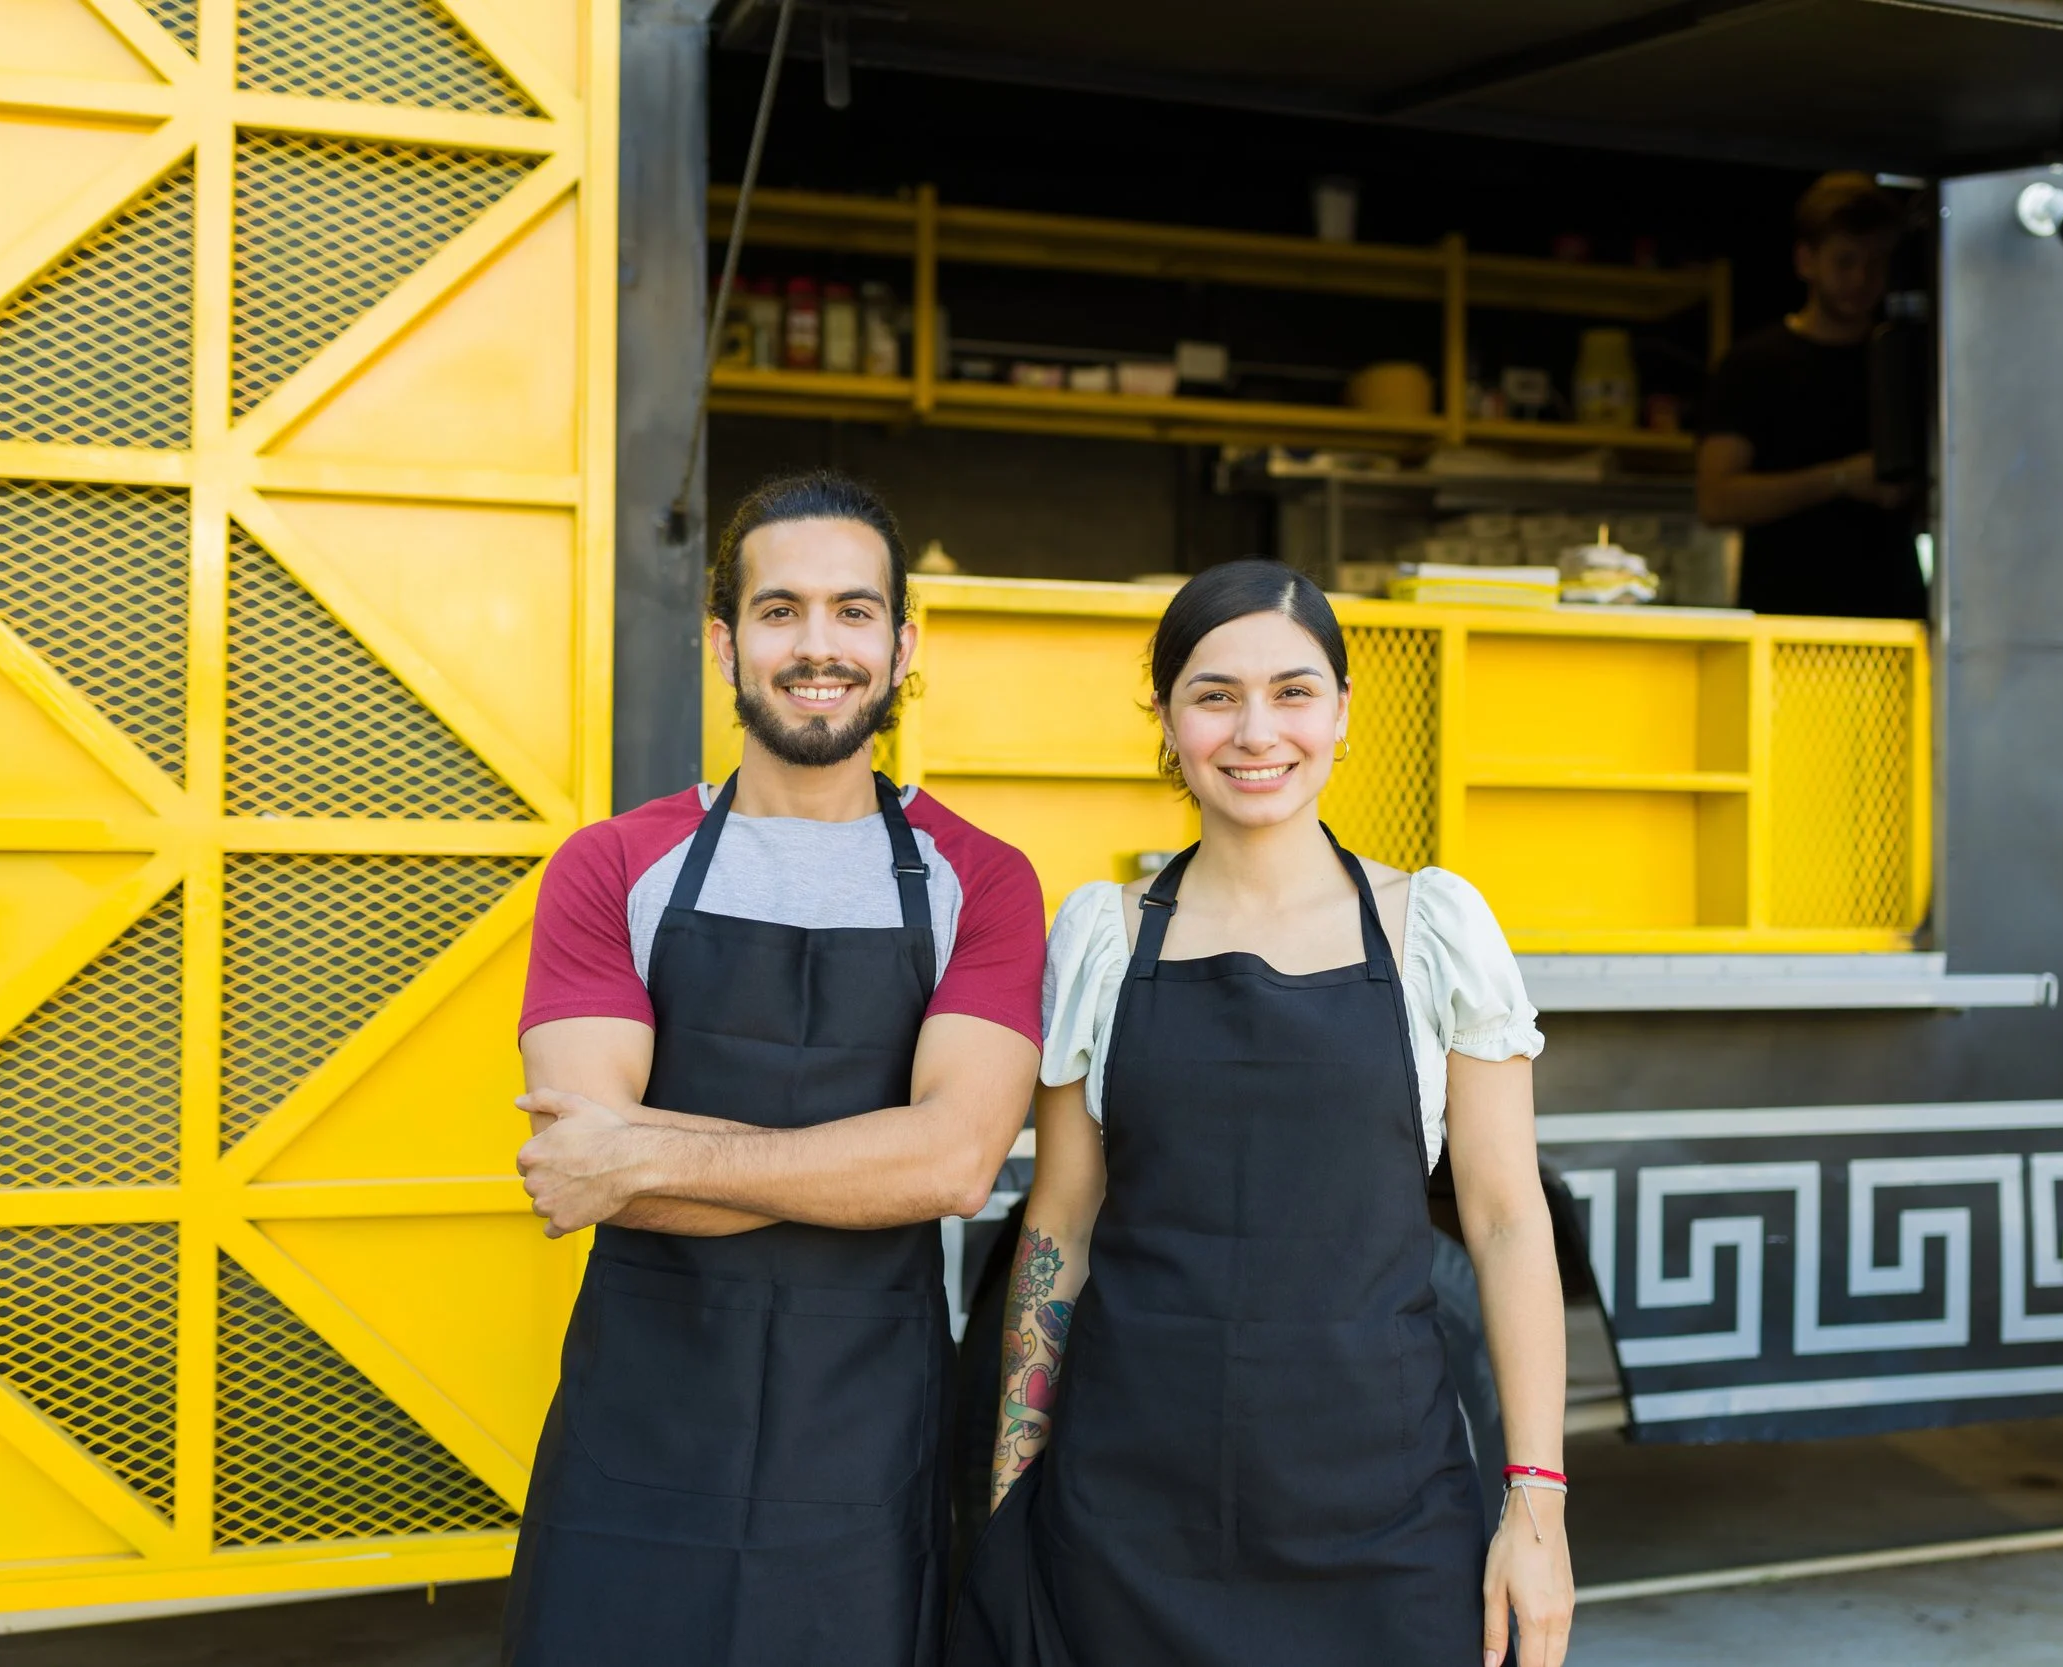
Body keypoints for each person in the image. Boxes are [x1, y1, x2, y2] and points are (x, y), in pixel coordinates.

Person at [948, 560, 1572, 1667]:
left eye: (1292, 691)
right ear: (1165, 716)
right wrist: (1011, 1485)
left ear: (1341, 711)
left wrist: (1536, 1502)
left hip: (1384, 1515)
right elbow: (1061, 1225)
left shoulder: (1434, 928)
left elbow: (1506, 1218)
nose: (1255, 731)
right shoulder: (1103, 937)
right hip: (1125, 1517)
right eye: (1214, 694)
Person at [499, 470, 1046, 1666]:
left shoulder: (983, 880)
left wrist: (646, 1150)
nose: (817, 645)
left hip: (863, 1452)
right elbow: (579, 1163)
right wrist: (866, 1161)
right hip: (636, 1437)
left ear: (902, 646)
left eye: (854, 611)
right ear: (723, 641)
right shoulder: (612, 865)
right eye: (779, 609)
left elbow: (954, 1163)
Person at [1697, 171, 1926, 619]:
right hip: (1787, 617)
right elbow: (1716, 500)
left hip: (1894, 618)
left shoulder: (1907, 362)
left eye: (1876, 262)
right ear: (1806, 261)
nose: (1861, 278)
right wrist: (1840, 479)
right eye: (1845, 261)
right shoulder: (1753, 364)